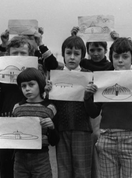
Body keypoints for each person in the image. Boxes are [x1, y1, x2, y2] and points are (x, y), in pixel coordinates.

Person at [0, 31, 58, 178]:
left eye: (22, 53)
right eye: (14, 53)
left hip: (26, 127)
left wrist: (40, 43)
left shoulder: (33, 77)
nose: (18, 56)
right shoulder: (2, 75)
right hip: (4, 124)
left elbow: (53, 66)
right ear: (8, 55)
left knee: (21, 171)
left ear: (30, 56)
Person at [84, 37, 132, 178]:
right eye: (116, 56)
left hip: (130, 139)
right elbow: (93, 112)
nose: (120, 60)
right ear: (111, 58)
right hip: (106, 139)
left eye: (125, 56)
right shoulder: (103, 80)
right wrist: (87, 97)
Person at [71, 26, 119, 178]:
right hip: (83, 107)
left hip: (101, 111)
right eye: (92, 50)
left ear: (106, 50)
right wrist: (74, 37)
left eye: (99, 49)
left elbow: (122, 60)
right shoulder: (84, 64)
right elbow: (71, 62)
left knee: (99, 144)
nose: (96, 53)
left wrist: (117, 41)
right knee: (86, 148)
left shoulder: (111, 65)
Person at [0, 68, 58, 178]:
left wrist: (52, 128)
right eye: (23, 86)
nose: (27, 89)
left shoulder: (49, 108)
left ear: (41, 85)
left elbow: (54, 140)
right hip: (19, 158)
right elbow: (12, 134)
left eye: (31, 84)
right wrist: (0, 129)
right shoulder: (17, 108)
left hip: (41, 157)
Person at [47, 35, 94, 178]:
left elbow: (93, 111)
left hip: (83, 129)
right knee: (64, 172)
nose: (72, 57)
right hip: (62, 129)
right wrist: (47, 92)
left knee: (82, 172)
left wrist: (88, 95)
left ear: (82, 56)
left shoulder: (88, 76)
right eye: (68, 53)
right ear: (63, 55)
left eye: (76, 54)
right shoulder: (55, 76)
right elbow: (51, 105)